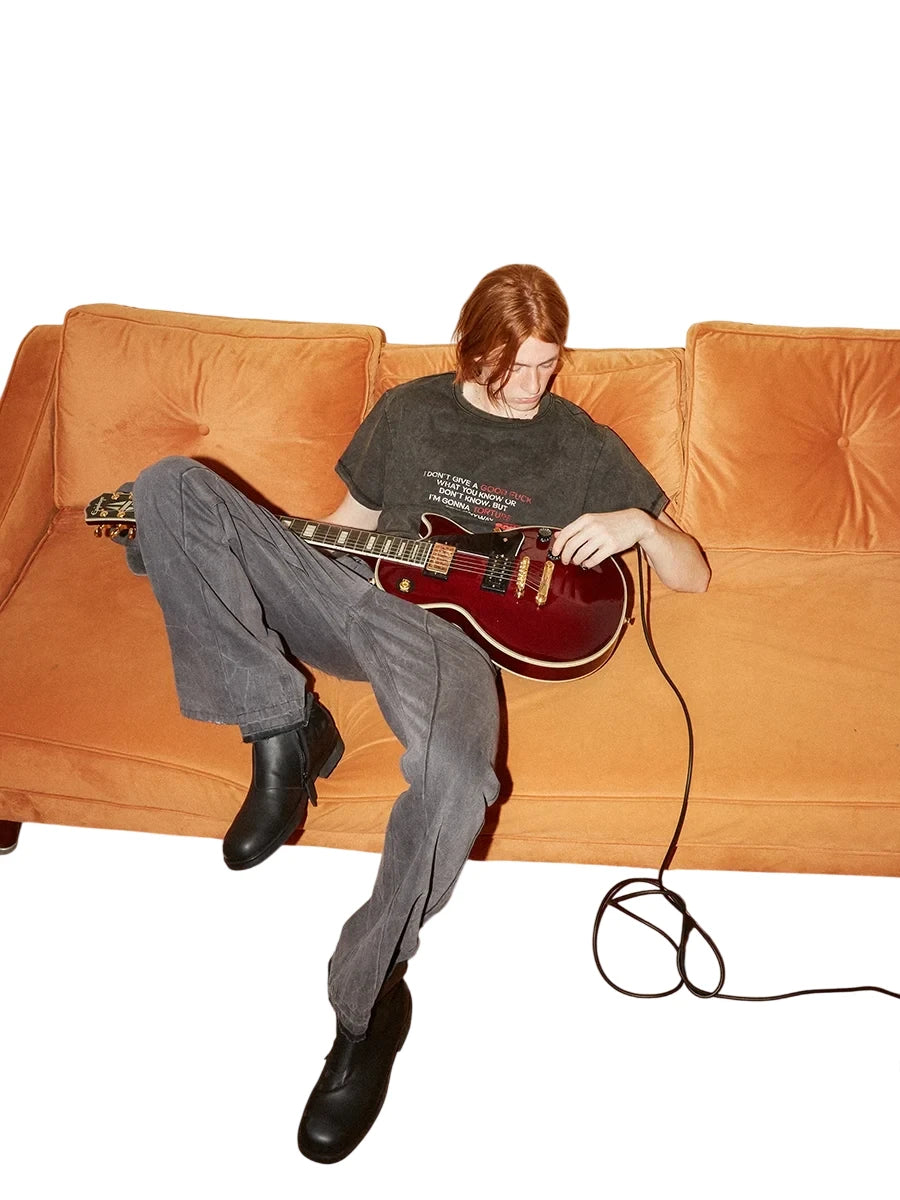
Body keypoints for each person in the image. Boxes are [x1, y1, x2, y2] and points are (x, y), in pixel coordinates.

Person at [126, 264, 709, 1164]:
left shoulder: (578, 442)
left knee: (457, 782)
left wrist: (640, 524)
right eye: (509, 369)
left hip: (444, 641)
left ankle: (365, 1011)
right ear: (469, 350)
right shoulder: (408, 411)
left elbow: (693, 574)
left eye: (547, 365)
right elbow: (347, 521)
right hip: (352, 595)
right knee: (168, 485)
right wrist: (239, 555)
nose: (530, 387)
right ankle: (281, 726)